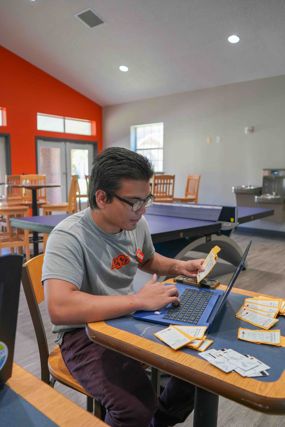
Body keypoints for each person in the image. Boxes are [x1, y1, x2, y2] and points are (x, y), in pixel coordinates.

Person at [42, 147, 204, 427]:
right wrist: (138, 301)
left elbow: (147, 259)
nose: (142, 210)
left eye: (146, 200)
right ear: (101, 197)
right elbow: (60, 308)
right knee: (135, 408)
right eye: (134, 202)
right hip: (82, 333)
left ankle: (158, 421)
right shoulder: (68, 236)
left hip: (126, 320)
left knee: (197, 371)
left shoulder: (135, 225)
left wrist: (179, 267)